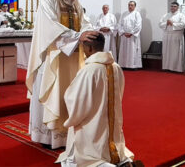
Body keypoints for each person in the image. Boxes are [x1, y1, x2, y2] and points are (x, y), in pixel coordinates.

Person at [26, 0, 97, 149]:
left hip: (72, 60)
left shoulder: (75, 3)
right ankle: (48, 137)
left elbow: (85, 22)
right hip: (53, 60)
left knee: (70, 97)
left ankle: (68, 137)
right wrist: (77, 36)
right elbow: (50, 28)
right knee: (54, 94)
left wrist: (89, 32)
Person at [57, 33, 134, 167]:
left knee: (76, 161)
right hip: (111, 124)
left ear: (90, 49)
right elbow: (118, 96)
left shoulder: (89, 70)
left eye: (84, 48)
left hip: (92, 129)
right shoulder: (116, 67)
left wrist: (68, 96)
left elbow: (77, 100)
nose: (84, 51)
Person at [159, 2, 185, 72]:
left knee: (176, 53)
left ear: (178, 7)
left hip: (176, 36)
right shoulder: (166, 15)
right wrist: (166, 23)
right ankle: (167, 67)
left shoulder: (181, 15)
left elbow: (184, 24)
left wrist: (173, 24)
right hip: (167, 36)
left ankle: (177, 68)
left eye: (174, 6)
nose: (172, 8)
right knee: (167, 52)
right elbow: (160, 24)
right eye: (171, 6)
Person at [118, 1, 142, 69]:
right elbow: (119, 24)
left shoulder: (137, 14)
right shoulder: (124, 14)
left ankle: (133, 65)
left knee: (132, 50)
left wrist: (131, 33)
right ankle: (124, 64)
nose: (130, 6)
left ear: (135, 6)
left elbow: (138, 25)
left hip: (132, 36)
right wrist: (123, 32)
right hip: (124, 35)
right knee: (124, 50)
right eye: (129, 5)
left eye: (131, 5)